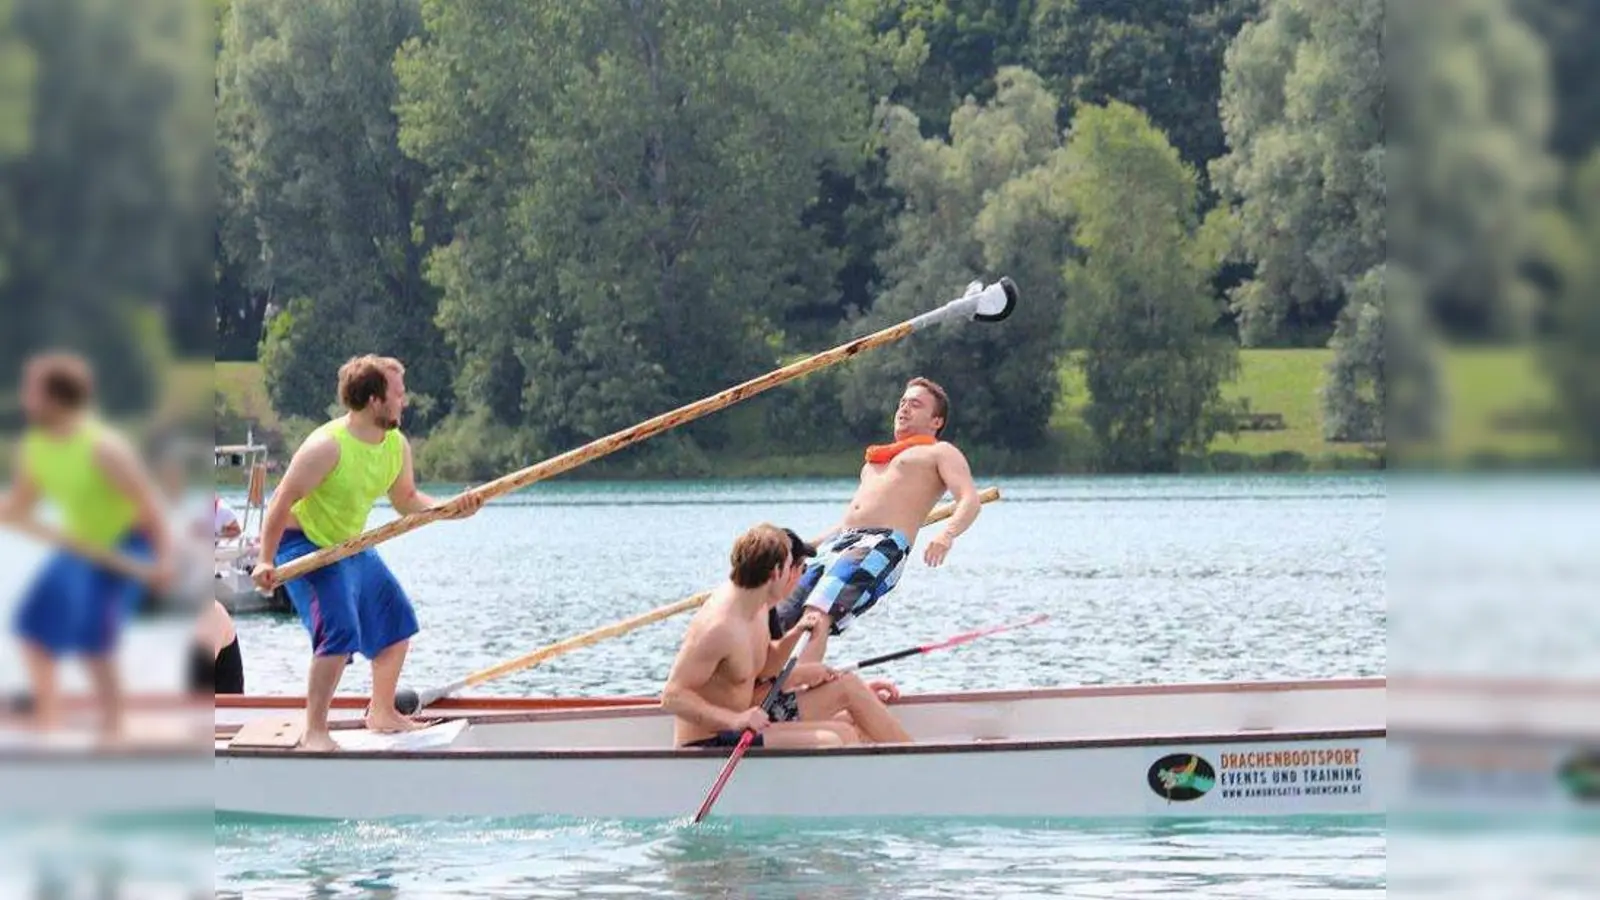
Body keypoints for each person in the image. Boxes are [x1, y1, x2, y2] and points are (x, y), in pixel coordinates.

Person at [250, 354, 484, 751]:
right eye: (398, 393)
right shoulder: (326, 447)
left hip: (350, 544)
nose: (404, 401)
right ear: (375, 401)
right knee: (340, 631)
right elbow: (281, 501)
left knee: (396, 622)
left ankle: (382, 712)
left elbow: (406, 499)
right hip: (303, 543)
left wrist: (449, 510)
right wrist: (265, 560)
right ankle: (315, 731)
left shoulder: (395, 445)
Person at [0, 352, 177, 739]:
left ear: (54, 398)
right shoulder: (36, 447)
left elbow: (150, 505)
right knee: (32, 631)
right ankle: (49, 727)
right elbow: (20, 505)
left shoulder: (103, 447)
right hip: (80, 547)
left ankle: (114, 731)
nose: (26, 398)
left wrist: (164, 562)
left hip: (128, 547)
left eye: (32, 391)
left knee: (94, 641)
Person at [770, 376, 984, 664]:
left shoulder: (939, 452)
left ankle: (802, 689)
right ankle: (761, 686)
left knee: (818, 610)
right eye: (902, 403)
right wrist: (804, 547)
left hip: (880, 544)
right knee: (777, 613)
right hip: (838, 543)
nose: (904, 409)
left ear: (936, 421)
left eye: (916, 405)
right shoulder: (874, 464)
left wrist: (947, 534)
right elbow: (848, 522)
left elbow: (970, 499)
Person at [662, 524, 913, 749]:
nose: (801, 577)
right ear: (775, 572)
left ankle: (910, 768)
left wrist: (797, 633)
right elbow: (673, 696)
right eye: (798, 568)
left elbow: (765, 664)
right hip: (711, 740)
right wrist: (736, 720)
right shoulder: (718, 627)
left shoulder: (758, 606)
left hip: (748, 722)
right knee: (832, 740)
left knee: (844, 731)